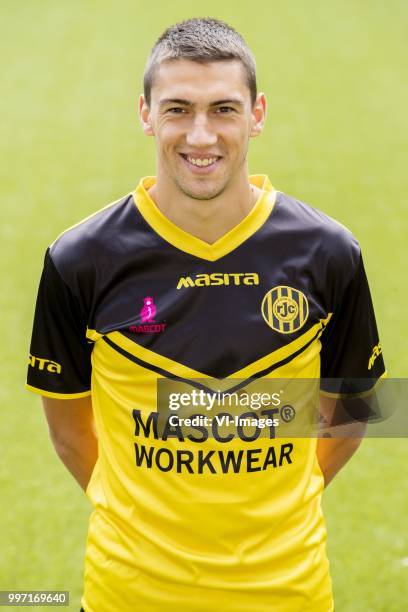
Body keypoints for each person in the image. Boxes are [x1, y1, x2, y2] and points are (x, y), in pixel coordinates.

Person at [26, 17, 385, 612]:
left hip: (288, 593)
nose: (200, 136)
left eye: (223, 108)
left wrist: (282, 501)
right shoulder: (78, 260)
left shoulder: (330, 252)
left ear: (257, 114)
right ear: (145, 114)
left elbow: (356, 409)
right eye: (177, 109)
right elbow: (67, 433)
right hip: (130, 593)